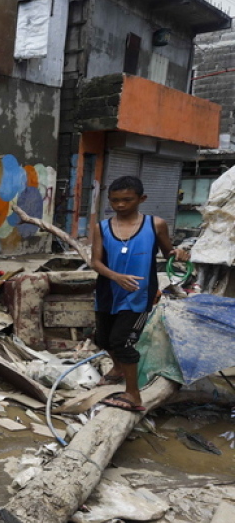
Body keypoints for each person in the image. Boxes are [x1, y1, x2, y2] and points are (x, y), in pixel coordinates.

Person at [90, 175, 189, 412]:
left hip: (139, 295)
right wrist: (116, 277)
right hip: (107, 291)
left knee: (122, 341)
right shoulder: (101, 228)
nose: (120, 205)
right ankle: (118, 368)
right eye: (115, 201)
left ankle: (133, 395)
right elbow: (95, 262)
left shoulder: (155, 225)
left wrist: (180, 254)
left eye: (127, 200)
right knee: (102, 339)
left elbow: (169, 254)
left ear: (141, 199)